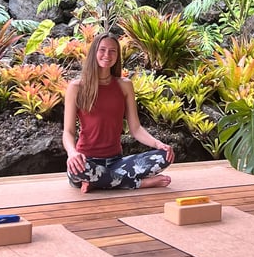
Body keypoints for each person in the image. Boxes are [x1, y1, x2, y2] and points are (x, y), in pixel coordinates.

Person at [63, 31, 175, 192]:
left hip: (116, 163)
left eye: (112, 51)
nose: (107, 54)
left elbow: (135, 128)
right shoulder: (76, 87)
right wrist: (72, 153)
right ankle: (138, 183)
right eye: (102, 50)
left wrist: (158, 144)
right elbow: (68, 131)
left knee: (164, 156)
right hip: (86, 162)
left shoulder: (124, 85)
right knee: (80, 170)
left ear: (117, 55)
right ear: (94, 52)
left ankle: (101, 181)